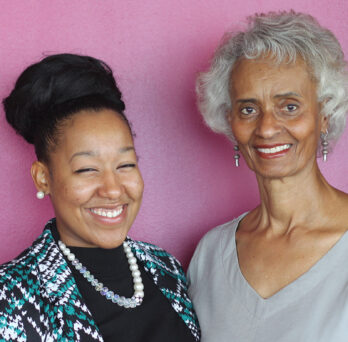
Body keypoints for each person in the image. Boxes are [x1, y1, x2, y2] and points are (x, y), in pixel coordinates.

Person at [0, 53, 200, 342]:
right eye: (87, 169)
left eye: (125, 165)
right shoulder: (12, 298)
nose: (113, 189)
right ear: (43, 177)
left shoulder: (164, 267)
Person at [187, 11, 348, 342]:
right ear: (229, 122)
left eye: (289, 106)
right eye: (248, 109)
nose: (267, 127)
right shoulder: (210, 254)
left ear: (325, 115)